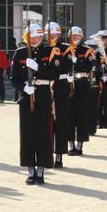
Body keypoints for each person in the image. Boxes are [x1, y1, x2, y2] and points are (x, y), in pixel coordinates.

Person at [11, 23, 56, 185]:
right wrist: (24, 87)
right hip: (26, 96)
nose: (35, 39)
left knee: (43, 133)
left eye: (38, 36)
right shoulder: (20, 53)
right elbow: (13, 77)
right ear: (26, 37)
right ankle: (30, 169)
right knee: (27, 133)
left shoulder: (49, 51)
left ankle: (41, 168)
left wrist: (38, 67)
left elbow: (55, 73)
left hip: (43, 94)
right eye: (32, 36)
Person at [46, 22, 73, 168]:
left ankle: (59, 155)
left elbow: (67, 66)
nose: (52, 36)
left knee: (61, 121)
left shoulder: (65, 48)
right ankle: (46, 153)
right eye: (49, 34)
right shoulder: (43, 49)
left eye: (54, 34)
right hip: (44, 87)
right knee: (46, 122)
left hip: (60, 86)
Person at [67, 27, 94, 156]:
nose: (75, 38)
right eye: (73, 36)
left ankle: (79, 144)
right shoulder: (65, 49)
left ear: (81, 37)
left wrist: (75, 60)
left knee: (82, 115)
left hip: (82, 82)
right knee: (69, 115)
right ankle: (70, 144)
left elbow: (88, 67)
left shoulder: (87, 50)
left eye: (77, 36)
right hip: (68, 82)